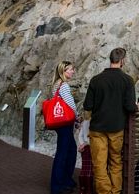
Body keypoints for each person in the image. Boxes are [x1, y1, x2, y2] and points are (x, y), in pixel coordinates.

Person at [83, 48, 137, 194]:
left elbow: (87, 105)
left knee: (99, 165)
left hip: (97, 129)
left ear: (110, 59)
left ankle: (105, 192)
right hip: (117, 128)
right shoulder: (127, 80)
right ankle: (116, 191)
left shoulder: (96, 79)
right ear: (122, 60)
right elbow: (131, 107)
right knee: (115, 162)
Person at [50, 61, 79, 194]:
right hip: (65, 123)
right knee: (63, 153)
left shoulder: (56, 84)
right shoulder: (64, 85)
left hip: (59, 123)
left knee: (70, 150)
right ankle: (57, 185)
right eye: (71, 70)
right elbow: (71, 104)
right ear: (64, 71)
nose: (73, 72)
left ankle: (65, 180)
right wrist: (78, 117)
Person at [77, 117, 95, 194]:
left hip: (84, 148)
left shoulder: (85, 121)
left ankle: (82, 189)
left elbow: (80, 135)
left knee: (84, 169)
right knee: (90, 170)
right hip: (93, 147)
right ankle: (89, 189)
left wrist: (82, 144)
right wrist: (86, 143)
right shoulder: (96, 121)